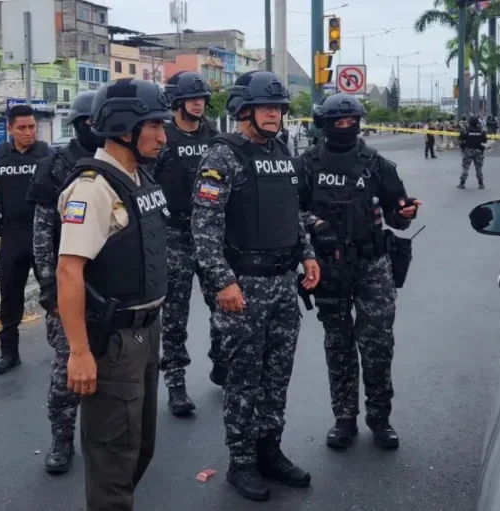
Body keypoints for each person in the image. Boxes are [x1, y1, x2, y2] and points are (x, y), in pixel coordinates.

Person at [191, 70, 320, 502]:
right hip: (243, 287)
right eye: (266, 107)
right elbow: (204, 229)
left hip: (283, 284)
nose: (275, 114)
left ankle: (270, 451)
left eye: (279, 108)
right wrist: (223, 282)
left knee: (277, 377)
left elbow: (293, 212)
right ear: (243, 110)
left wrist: (307, 254)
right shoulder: (222, 156)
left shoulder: (281, 150)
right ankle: (241, 462)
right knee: (244, 379)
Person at [55, 78, 172, 510]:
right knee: (112, 457)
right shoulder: (93, 188)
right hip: (115, 341)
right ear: (125, 129)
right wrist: (79, 352)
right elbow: (69, 271)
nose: (163, 135)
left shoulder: (138, 177)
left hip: (145, 332)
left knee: (139, 446)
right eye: (155, 125)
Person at [296, 93, 421, 452]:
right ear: (324, 125)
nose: (346, 127)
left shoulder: (378, 165)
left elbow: (398, 214)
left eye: (352, 121)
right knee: (338, 344)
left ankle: (380, 418)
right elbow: (288, 210)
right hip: (328, 266)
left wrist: (406, 213)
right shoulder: (306, 165)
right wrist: (314, 223)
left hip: (372, 264)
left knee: (378, 344)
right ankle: (344, 418)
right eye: (339, 122)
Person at [26, 91, 99, 474]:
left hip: (111, 286)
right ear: (85, 124)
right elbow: (42, 235)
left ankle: (105, 441)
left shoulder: (113, 162)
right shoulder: (55, 165)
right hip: (69, 283)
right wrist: (49, 289)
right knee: (66, 368)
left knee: (112, 366)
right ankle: (61, 439)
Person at [151, 71, 220, 416]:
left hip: (210, 234)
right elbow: (145, 184)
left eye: (202, 98)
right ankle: (176, 383)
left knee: (223, 304)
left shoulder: (215, 137)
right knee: (175, 315)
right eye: (192, 98)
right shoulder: (164, 138)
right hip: (174, 234)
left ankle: (221, 361)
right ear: (177, 102)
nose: (198, 103)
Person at [0, 105, 53, 375]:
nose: (28, 132)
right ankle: (9, 353)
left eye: (31, 127)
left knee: (53, 294)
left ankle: (64, 349)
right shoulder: (0, 156)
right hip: (13, 235)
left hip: (44, 234)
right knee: (10, 295)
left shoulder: (47, 154)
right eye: (22, 128)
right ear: (10, 129)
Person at [458, 115, 488, 190]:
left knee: (465, 167)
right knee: (478, 168)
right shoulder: (481, 130)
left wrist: (463, 148)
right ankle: (481, 184)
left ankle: (462, 183)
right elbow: (485, 141)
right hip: (478, 151)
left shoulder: (465, 130)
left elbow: (460, 140)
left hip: (468, 150)